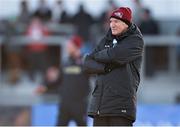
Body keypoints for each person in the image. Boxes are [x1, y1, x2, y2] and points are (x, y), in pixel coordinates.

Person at [83, 7, 144, 126]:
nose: (112, 25)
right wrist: (105, 68)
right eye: (111, 21)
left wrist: (97, 56)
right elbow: (87, 64)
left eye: (116, 21)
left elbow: (115, 56)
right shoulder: (106, 39)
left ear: (126, 23)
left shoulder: (135, 40)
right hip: (100, 108)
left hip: (121, 108)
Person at [56, 35, 90, 126]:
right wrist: (45, 86)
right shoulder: (65, 62)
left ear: (76, 46)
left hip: (79, 105)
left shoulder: (85, 62)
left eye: (69, 45)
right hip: (65, 104)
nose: (67, 47)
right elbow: (58, 80)